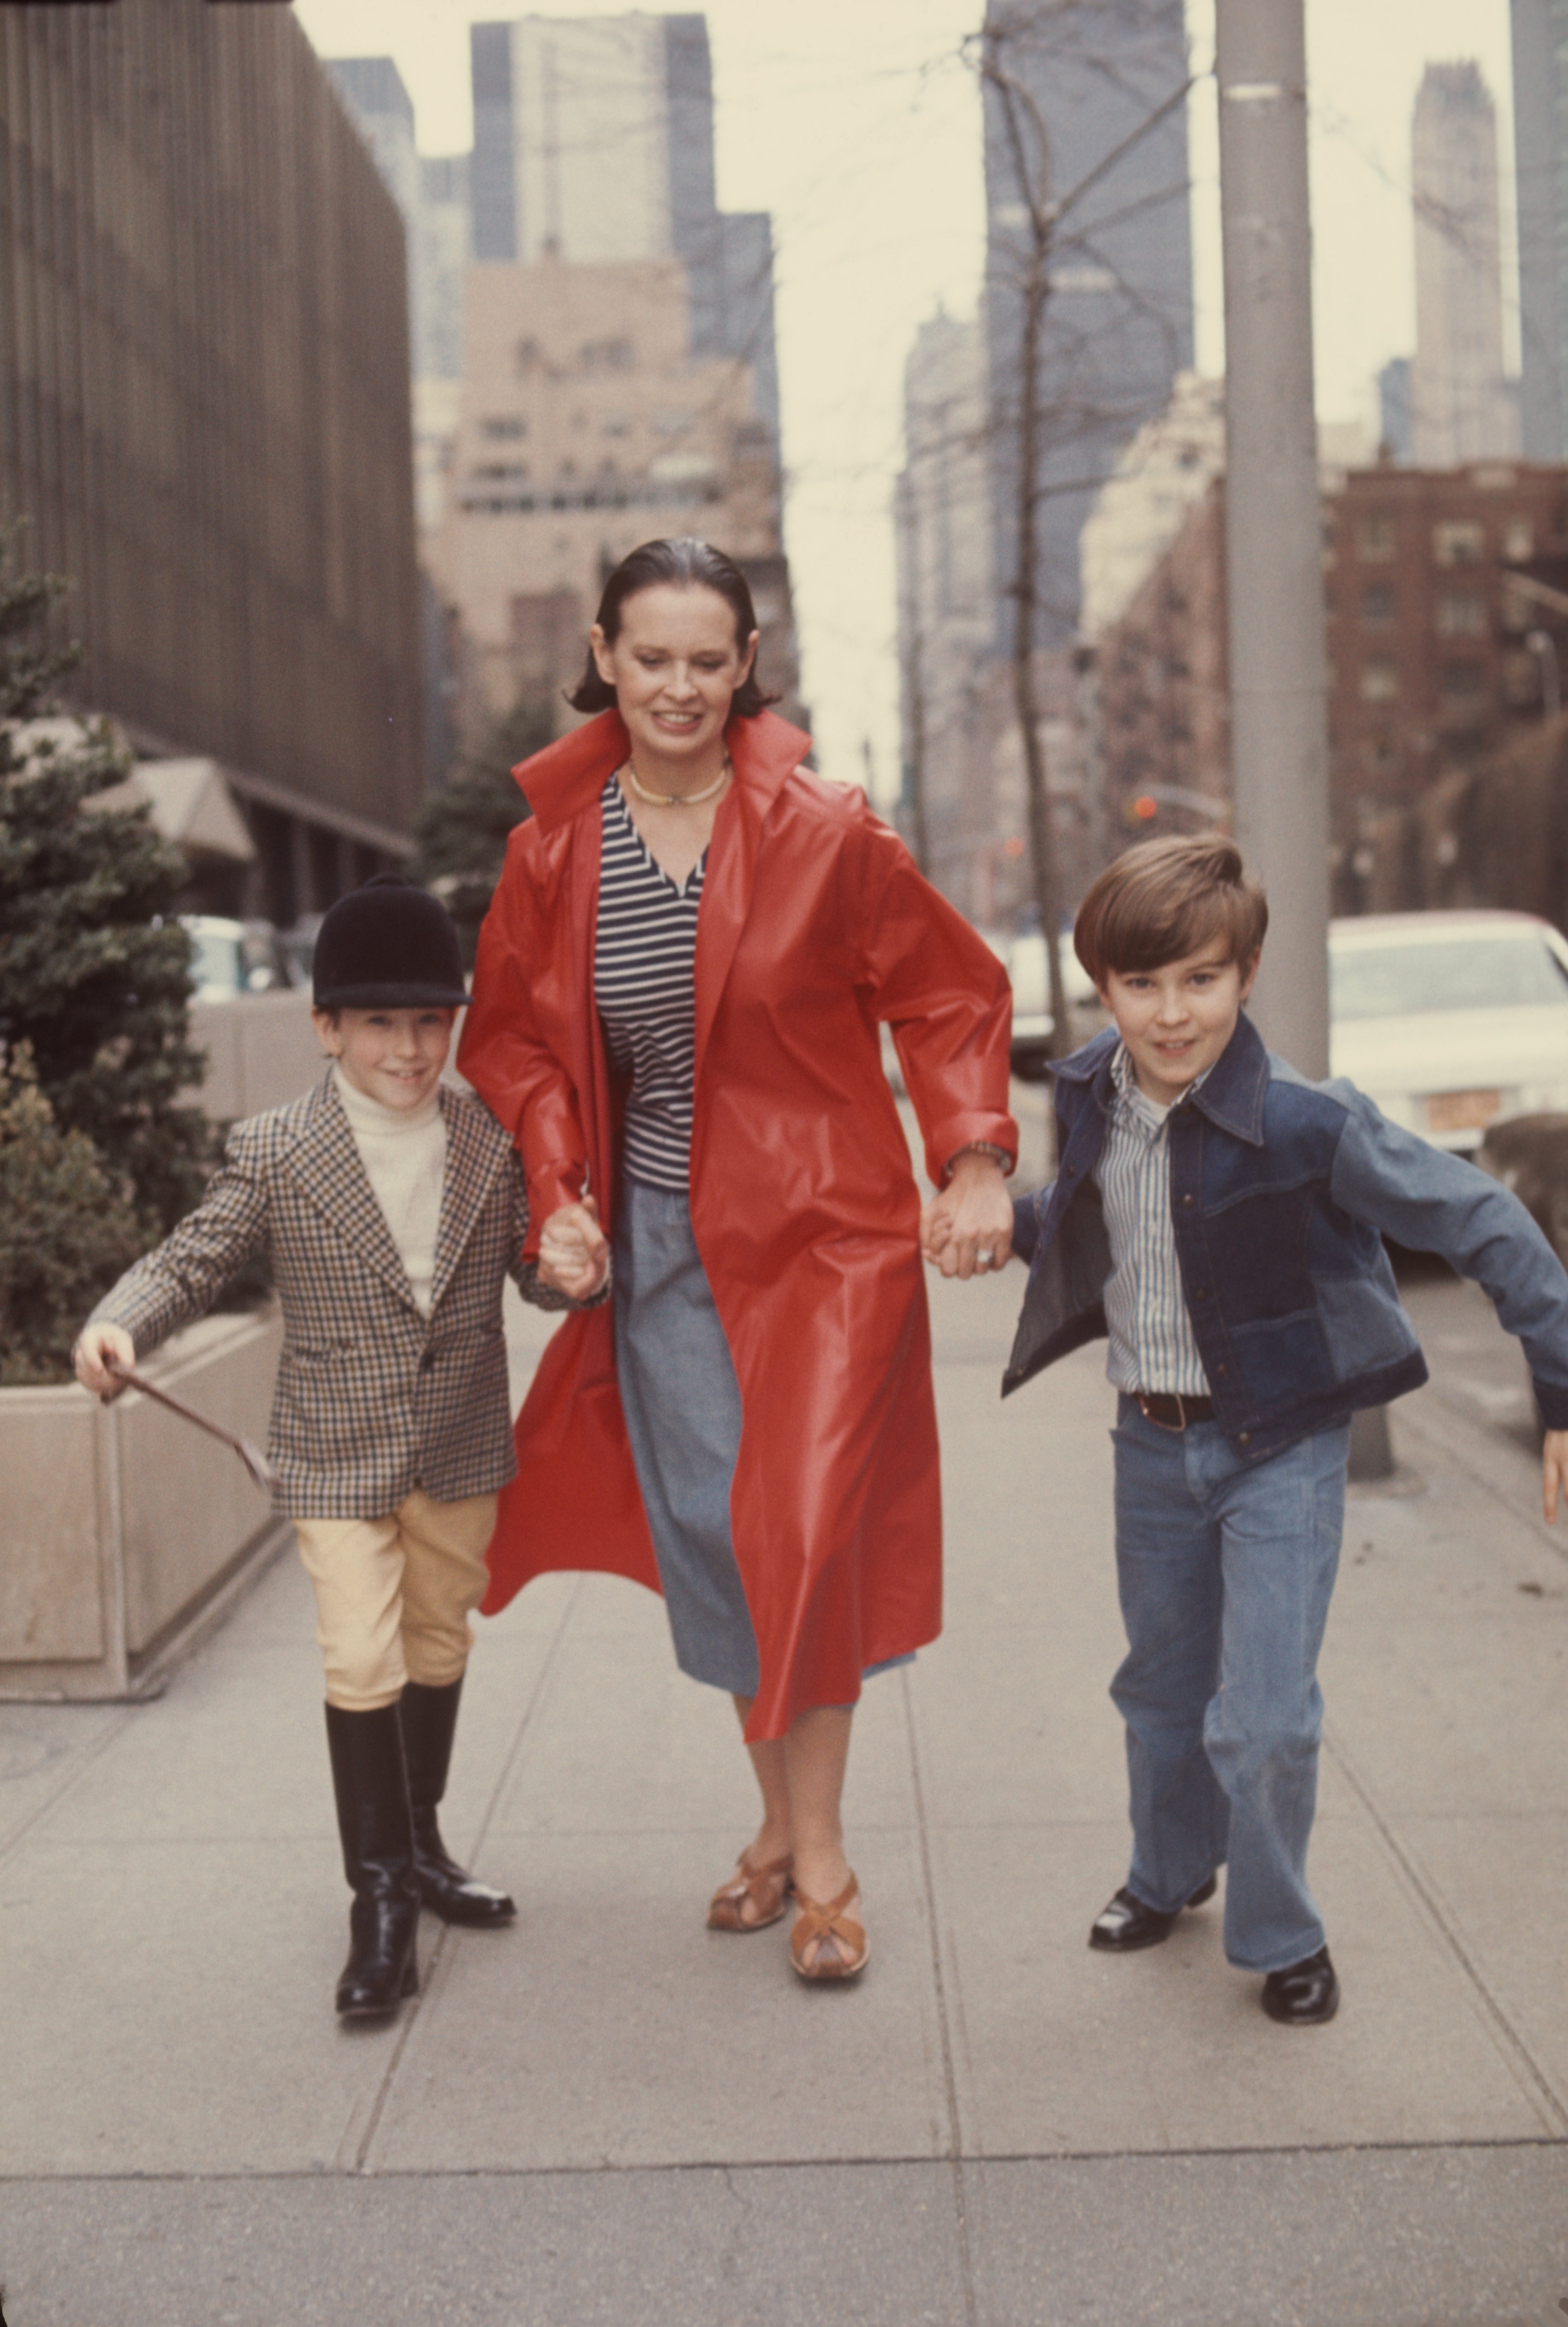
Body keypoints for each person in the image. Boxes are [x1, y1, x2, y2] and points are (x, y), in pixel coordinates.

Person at [458, 535, 1016, 1982]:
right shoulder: (550, 850)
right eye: (651, 657)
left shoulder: (827, 830)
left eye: (710, 658)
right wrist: (558, 1184)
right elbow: (513, 1037)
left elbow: (949, 990)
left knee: (804, 1523)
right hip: (657, 1248)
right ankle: (774, 1828)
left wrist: (967, 1157)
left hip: (824, 1238)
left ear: (748, 661)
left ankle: (819, 1856)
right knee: (715, 1530)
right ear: (601, 652)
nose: (681, 685)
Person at [945, 833, 1568, 2024]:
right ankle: (1166, 1871)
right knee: (1160, 1690)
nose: (1170, 1013)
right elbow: (1097, 1219)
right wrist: (994, 1226)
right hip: (1146, 1441)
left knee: (1266, 1716)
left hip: (1276, 1443)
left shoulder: (1304, 1121)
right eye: (1141, 984)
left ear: (1245, 972)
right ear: (1101, 986)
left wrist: (1557, 1389)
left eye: (1199, 979)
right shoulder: (1086, 1094)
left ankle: (1281, 1932)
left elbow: (1486, 1217)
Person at [74, 875, 582, 2023]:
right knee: (360, 1654)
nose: (408, 1049)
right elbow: (192, 1259)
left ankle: (425, 1840)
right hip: (335, 1456)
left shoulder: (487, 1135)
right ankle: (381, 1900)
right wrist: (120, 1317)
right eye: (379, 1024)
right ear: (326, 1028)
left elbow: (528, 1270)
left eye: (428, 1022)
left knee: (438, 1639)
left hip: (454, 1446)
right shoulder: (276, 1149)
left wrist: (568, 1269)